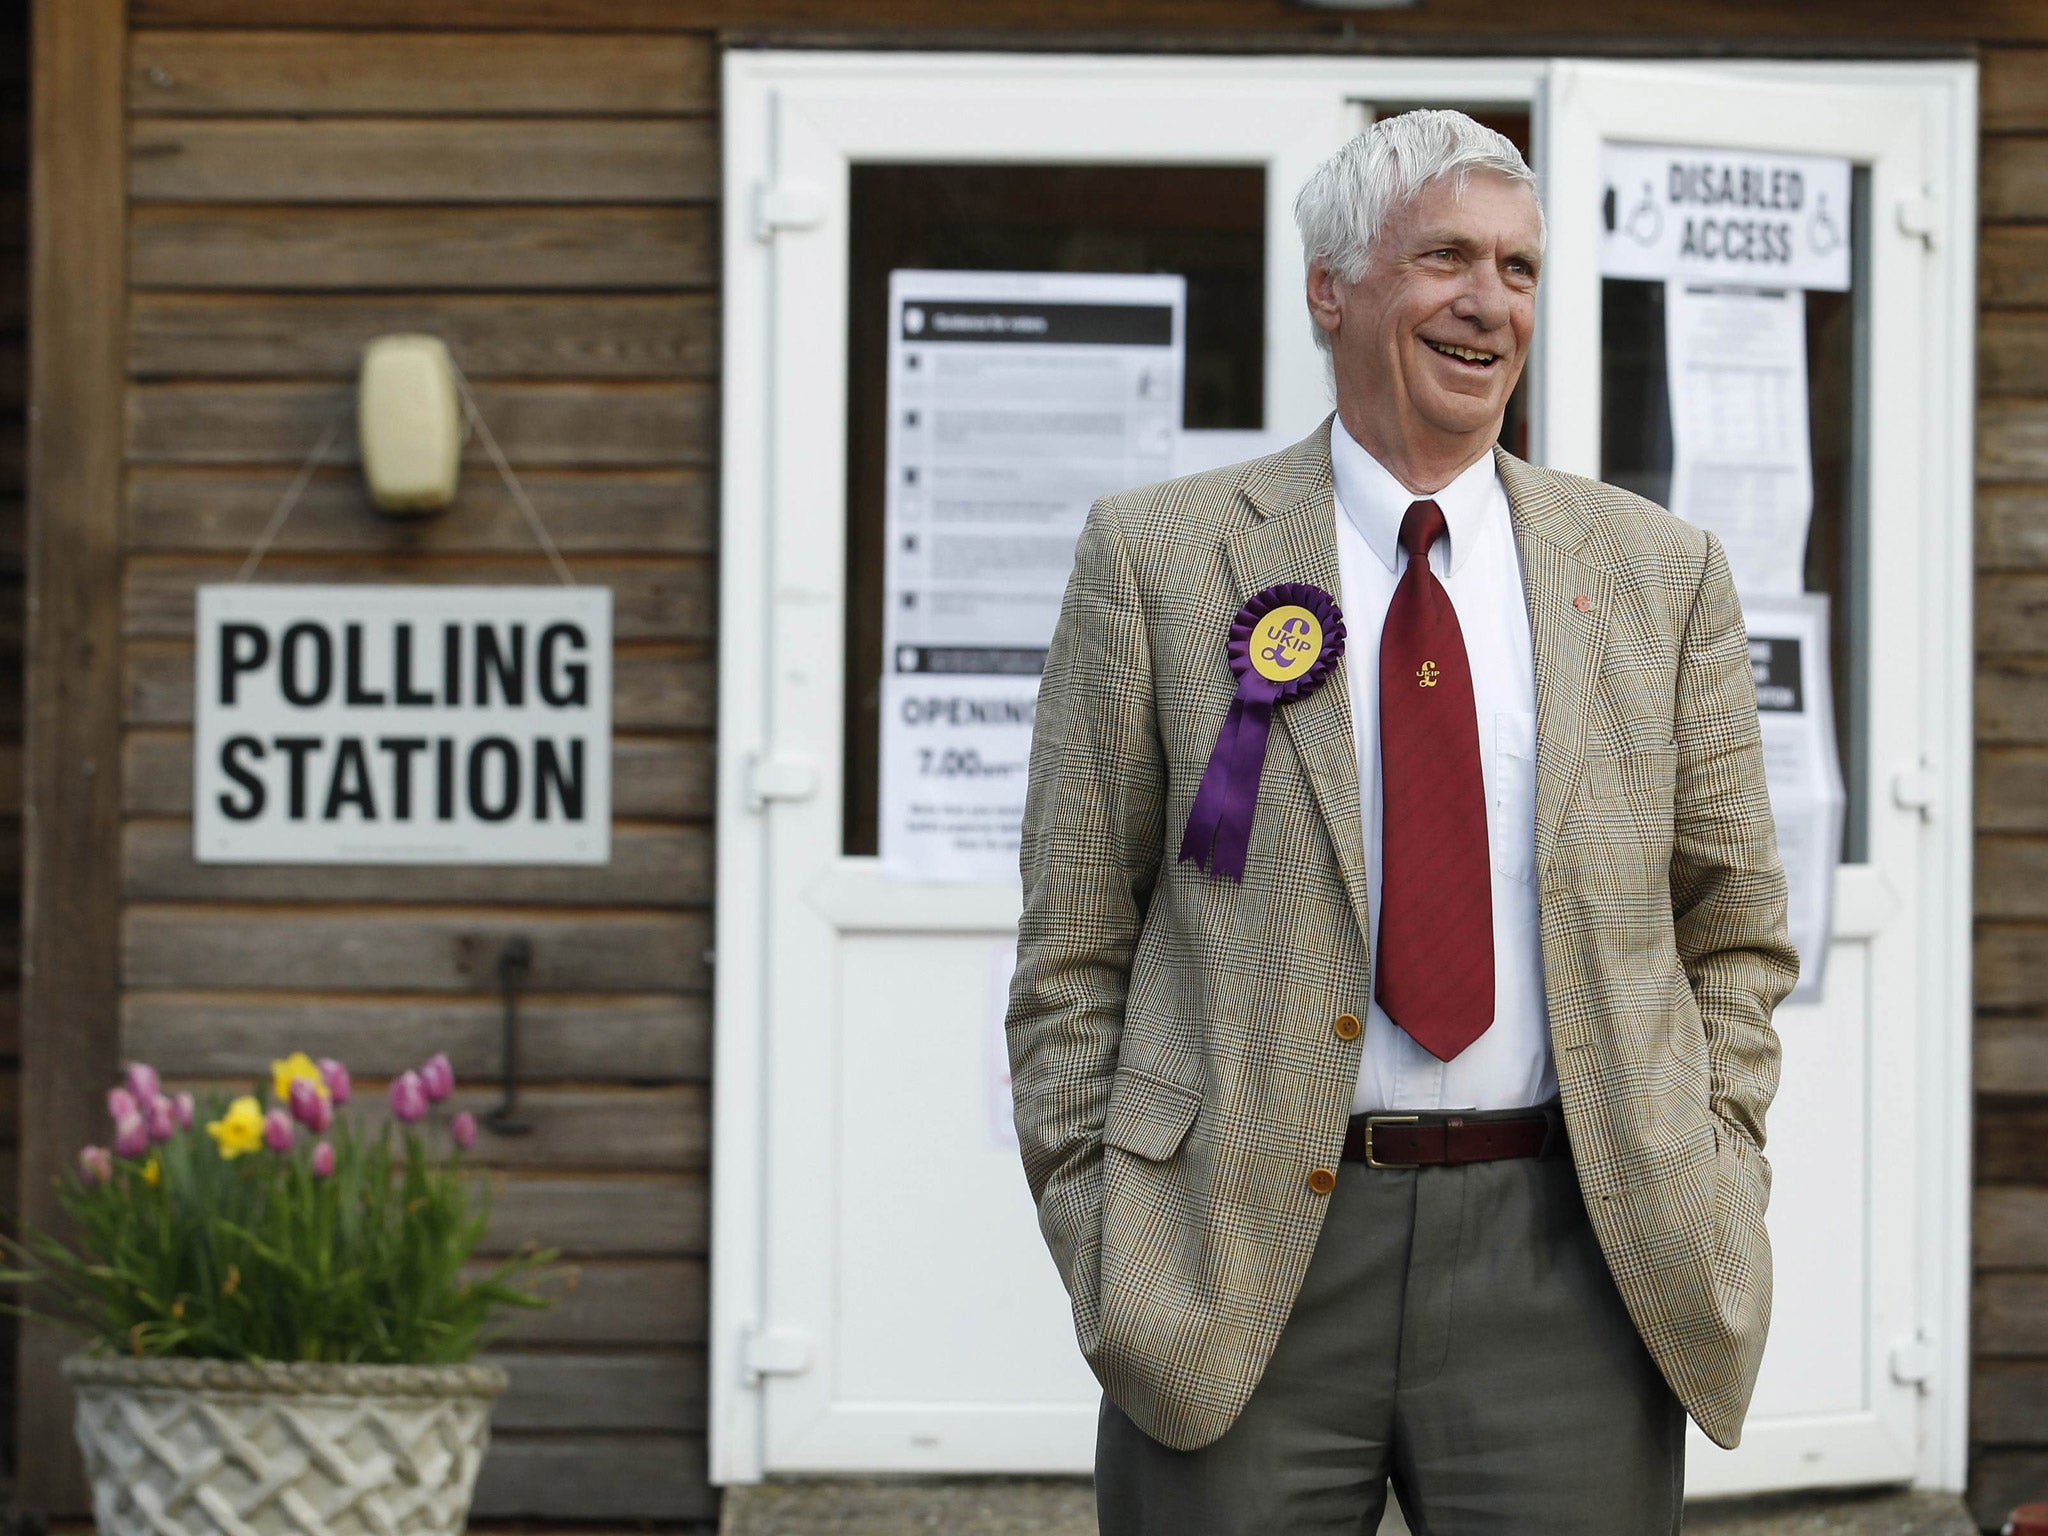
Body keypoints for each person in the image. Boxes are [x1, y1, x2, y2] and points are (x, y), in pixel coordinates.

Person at [1005, 108, 1797, 1535]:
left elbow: (1734, 927)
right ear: (1331, 288)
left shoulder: (1660, 575)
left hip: (1571, 1257)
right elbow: (1074, 944)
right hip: (1236, 1260)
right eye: (1444, 257)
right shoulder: (1161, 564)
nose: (1489, 304)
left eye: (1519, 268)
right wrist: (1108, 1240)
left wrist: (1715, 1155)